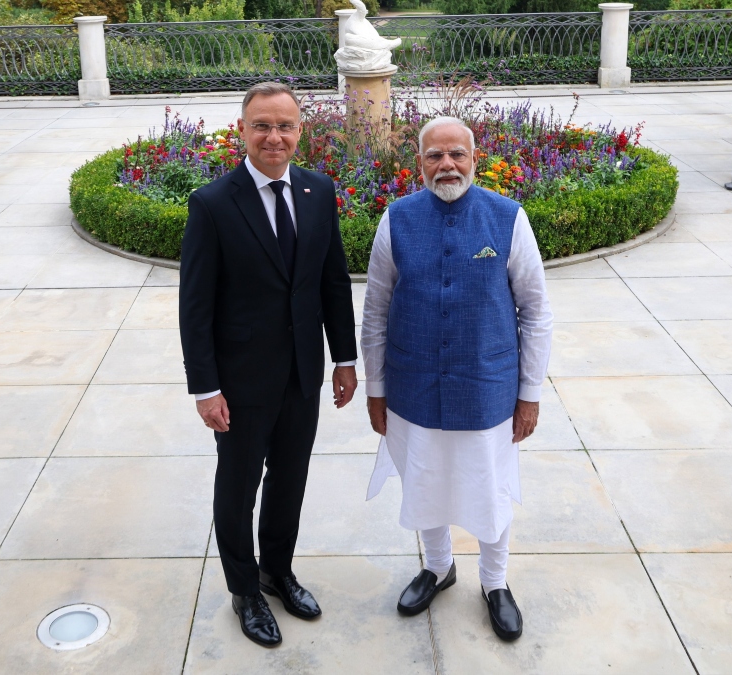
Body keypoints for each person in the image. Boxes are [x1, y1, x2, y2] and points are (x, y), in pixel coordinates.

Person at [179, 81, 359, 648]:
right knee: (237, 488)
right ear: (243, 131)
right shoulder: (211, 204)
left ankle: (276, 572)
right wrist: (206, 388)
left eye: (284, 125)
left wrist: (344, 359)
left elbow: (332, 282)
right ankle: (244, 591)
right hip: (240, 382)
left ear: (300, 131)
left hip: (303, 374)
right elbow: (195, 306)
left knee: (290, 480)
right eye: (262, 125)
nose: (273, 137)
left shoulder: (317, 191)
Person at [361, 116, 553, 641]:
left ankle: (495, 582)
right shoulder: (396, 219)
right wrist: (375, 389)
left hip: (486, 387)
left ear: (474, 157)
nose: (446, 165)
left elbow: (535, 311)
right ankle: (439, 567)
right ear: (418, 163)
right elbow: (375, 310)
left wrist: (529, 395)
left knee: (489, 487)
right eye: (434, 156)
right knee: (424, 478)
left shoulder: (507, 218)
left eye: (456, 155)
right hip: (412, 384)